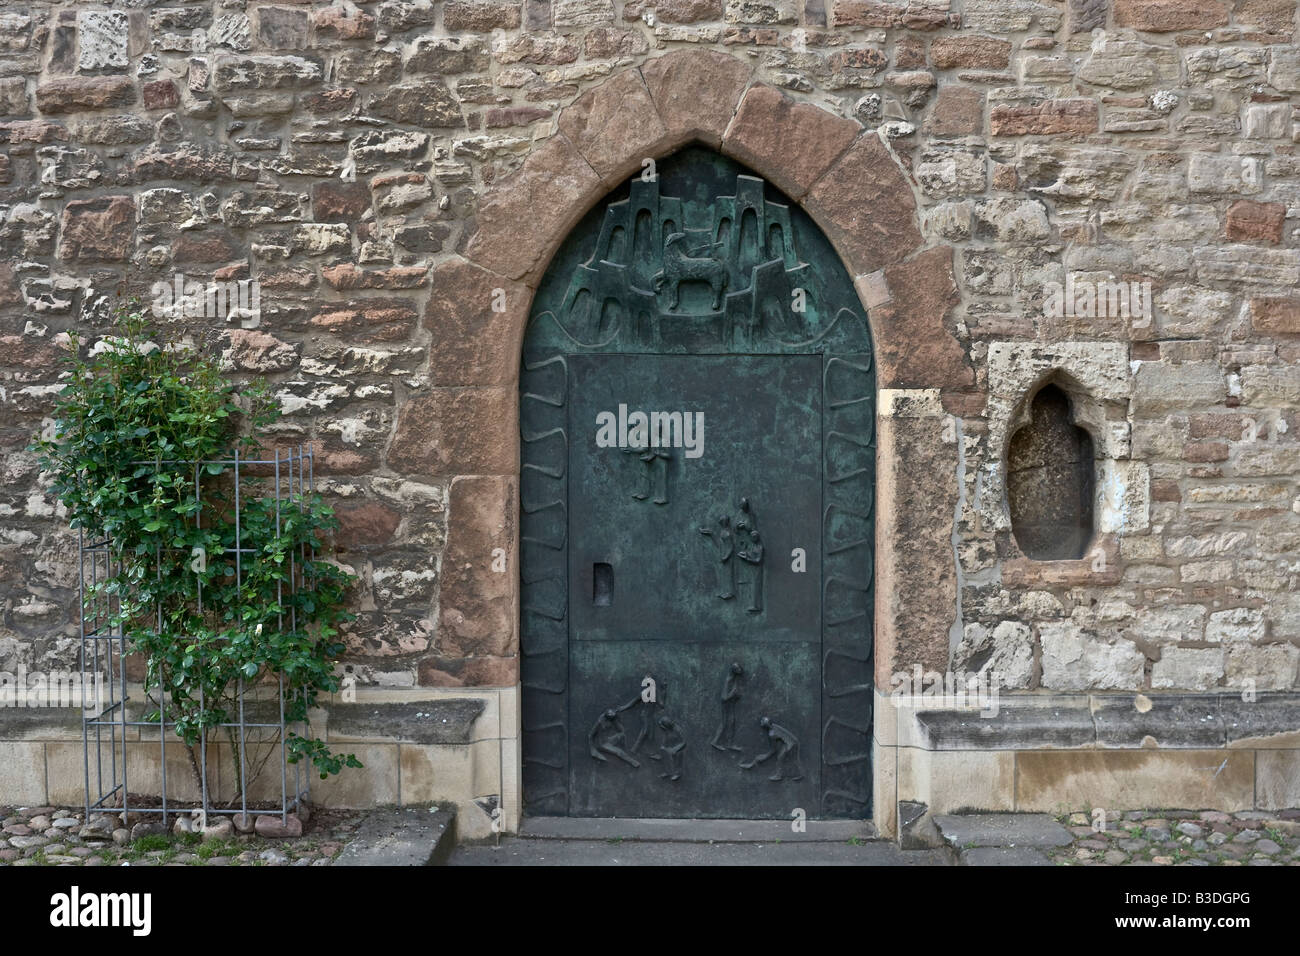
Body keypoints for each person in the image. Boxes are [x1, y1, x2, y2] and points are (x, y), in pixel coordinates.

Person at [740, 716, 803, 781]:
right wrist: (763, 757)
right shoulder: (772, 730)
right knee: (784, 758)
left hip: (792, 744)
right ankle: (752, 764)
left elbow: (774, 748)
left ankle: (780, 775)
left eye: (762, 721)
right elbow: (774, 748)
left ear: (766, 723)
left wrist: (765, 756)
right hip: (789, 744)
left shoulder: (773, 732)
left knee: (783, 758)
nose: (761, 722)